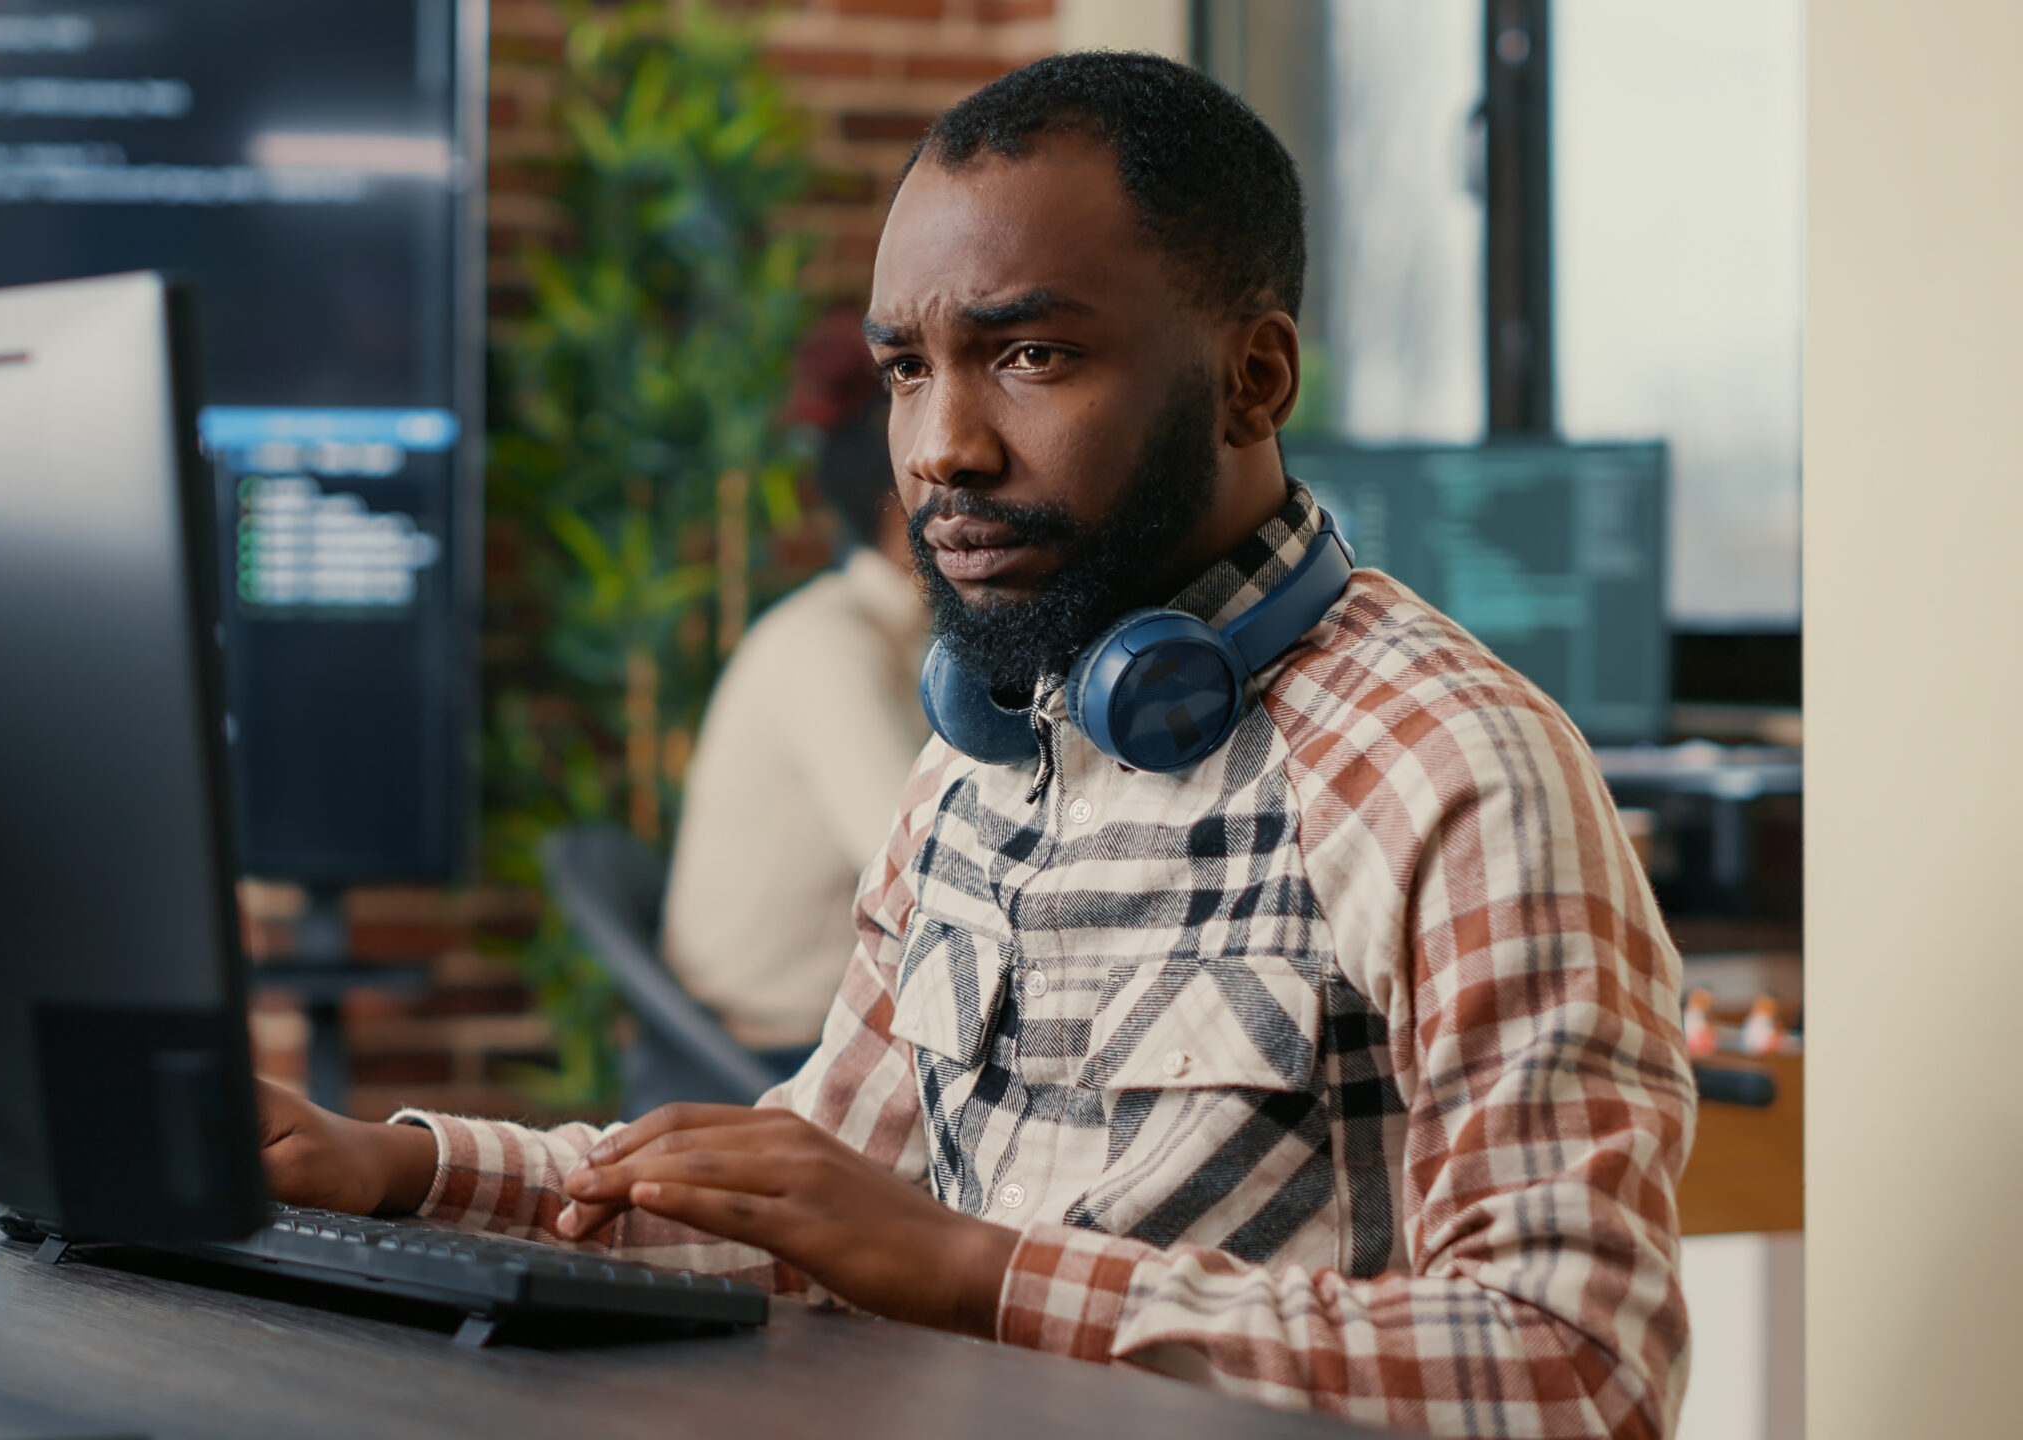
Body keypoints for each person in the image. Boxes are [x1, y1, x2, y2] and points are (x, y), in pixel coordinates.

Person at [258, 52, 1693, 1440]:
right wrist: (393, 1166)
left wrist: (975, 1273)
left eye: (1028, 355)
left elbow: (1578, 1374)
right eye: (905, 370)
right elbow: (805, 1202)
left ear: (1254, 380)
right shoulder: (989, 747)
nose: (942, 446)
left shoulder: (1457, 768)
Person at [658, 326, 933, 1061]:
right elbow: (917, 873)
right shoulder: (828, 648)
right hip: (762, 1047)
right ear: (903, 519)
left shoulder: (895, 641)